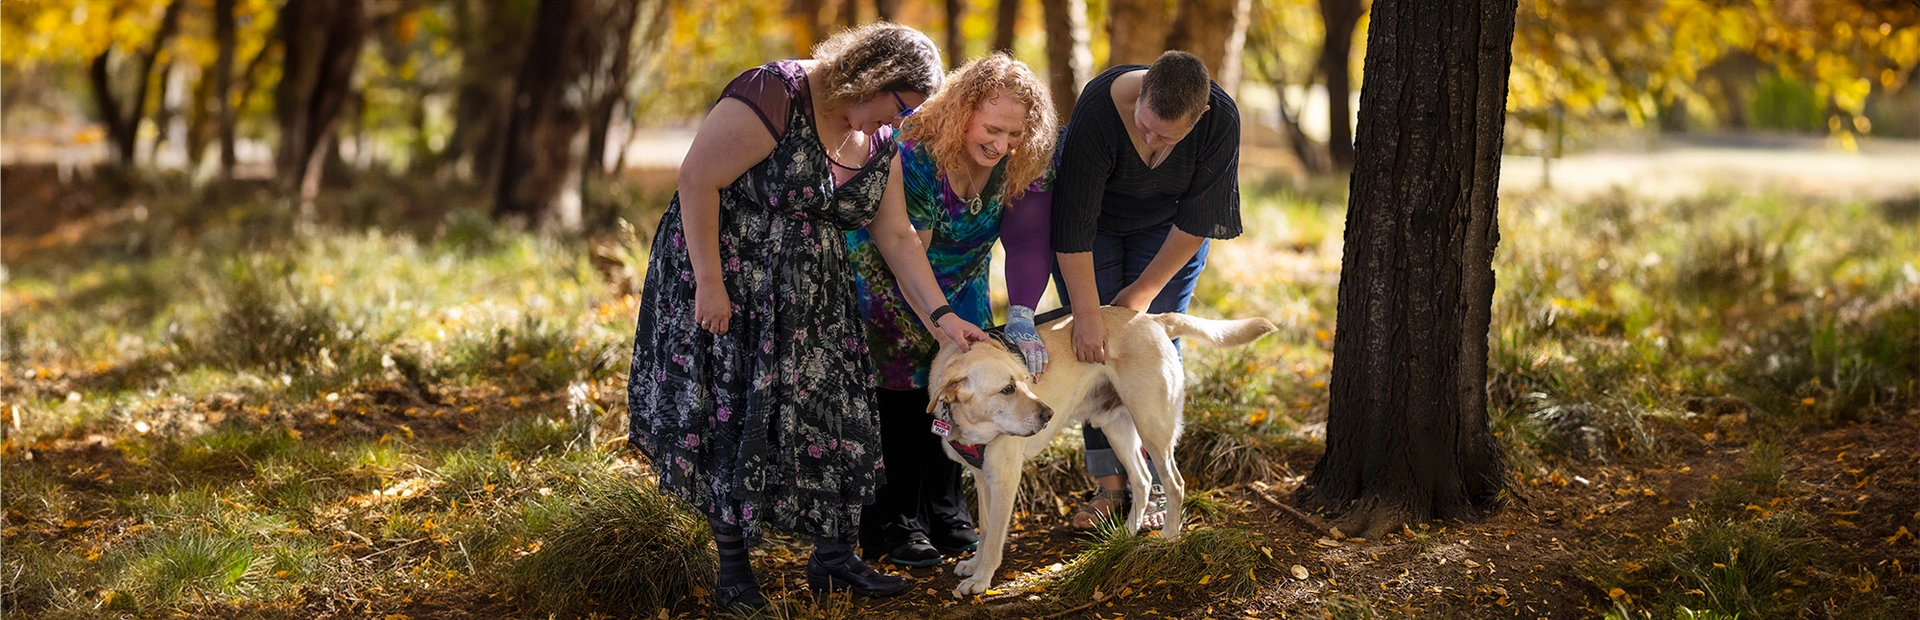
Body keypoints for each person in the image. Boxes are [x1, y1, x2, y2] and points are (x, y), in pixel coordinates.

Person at [627, 23, 990, 614]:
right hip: (730, 277)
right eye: (897, 107)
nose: (896, 123)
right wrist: (712, 286)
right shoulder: (776, 94)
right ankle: (735, 573)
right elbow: (697, 180)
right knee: (736, 413)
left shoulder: (878, 142)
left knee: (837, 410)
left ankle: (832, 558)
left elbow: (897, 237)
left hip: (812, 292)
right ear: (869, 78)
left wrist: (945, 318)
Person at [846, 52, 1058, 567]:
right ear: (962, 111)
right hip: (891, 280)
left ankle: (945, 507)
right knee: (903, 391)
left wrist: (1026, 314)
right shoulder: (916, 150)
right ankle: (894, 517)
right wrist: (938, 319)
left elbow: (1029, 241)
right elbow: (905, 246)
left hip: (964, 284)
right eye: (991, 129)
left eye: (1014, 134)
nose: (1001, 145)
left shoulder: (1023, 156)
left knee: (964, 391)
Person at [1049, 50, 1241, 532]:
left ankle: (1154, 484)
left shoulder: (1221, 122)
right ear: (1140, 93)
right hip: (1092, 233)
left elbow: (1198, 220)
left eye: (1165, 136)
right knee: (1090, 347)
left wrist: (1142, 293)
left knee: (1149, 344)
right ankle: (1109, 489)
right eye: (1145, 125)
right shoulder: (1099, 109)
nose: (1151, 140)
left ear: (1199, 117)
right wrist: (1089, 314)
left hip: (1169, 233)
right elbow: (1071, 225)